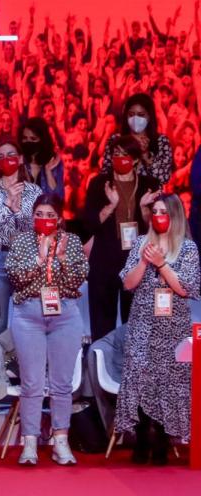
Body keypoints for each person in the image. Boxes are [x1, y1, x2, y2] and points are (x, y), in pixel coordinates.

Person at [5, 193, 88, 466]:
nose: (43, 219)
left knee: (62, 384)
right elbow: (15, 277)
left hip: (64, 315)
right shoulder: (21, 241)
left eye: (49, 215)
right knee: (32, 384)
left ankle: (60, 441)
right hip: (29, 316)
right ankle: (29, 441)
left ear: (60, 219)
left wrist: (61, 258)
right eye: (38, 214)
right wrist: (40, 260)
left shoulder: (72, 241)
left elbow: (79, 278)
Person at [115, 193, 197, 465]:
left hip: (172, 327)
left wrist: (162, 264)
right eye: (155, 211)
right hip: (142, 323)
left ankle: (162, 438)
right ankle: (140, 438)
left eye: (164, 211)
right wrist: (144, 262)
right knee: (139, 375)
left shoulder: (187, 249)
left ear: (175, 217)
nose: (158, 216)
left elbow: (185, 289)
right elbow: (127, 284)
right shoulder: (141, 243)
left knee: (168, 380)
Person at [82, 135, 161, 340]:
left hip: (137, 262)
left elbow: (156, 227)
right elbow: (88, 224)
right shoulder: (100, 184)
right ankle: (99, 367)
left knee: (135, 324)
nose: (120, 159)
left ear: (135, 159)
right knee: (101, 325)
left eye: (125, 155)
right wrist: (111, 206)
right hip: (104, 262)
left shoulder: (149, 185)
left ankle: (132, 369)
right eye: (116, 154)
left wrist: (144, 208)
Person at [0, 140, 42, 339]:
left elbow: (32, 227)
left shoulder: (34, 191)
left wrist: (18, 211)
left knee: (29, 322)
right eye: (1, 156)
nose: (6, 160)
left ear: (20, 159)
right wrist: (7, 205)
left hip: (25, 258)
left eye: (11, 154)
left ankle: (21, 367)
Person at [101, 93, 173, 186]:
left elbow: (163, 178)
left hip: (150, 197)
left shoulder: (161, 141)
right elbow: (105, 174)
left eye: (141, 115)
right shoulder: (115, 140)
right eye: (131, 114)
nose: (135, 118)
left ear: (149, 116)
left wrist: (146, 156)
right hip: (121, 196)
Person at [19, 117, 63, 197]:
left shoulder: (54, 163)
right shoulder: (17, 162)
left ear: (42, 140)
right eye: (25, 138)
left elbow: (58, 197)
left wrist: (48, 172)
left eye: (33, 139)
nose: (28, 142)